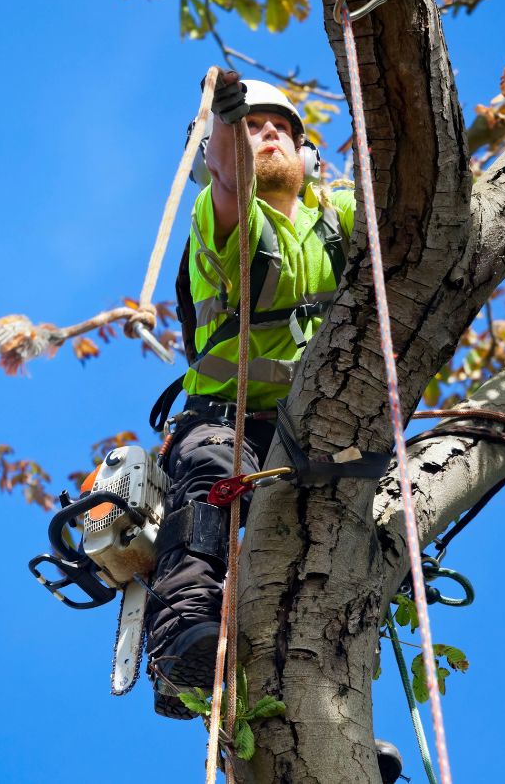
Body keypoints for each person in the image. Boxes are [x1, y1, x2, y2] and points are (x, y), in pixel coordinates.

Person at [145, 70, 355, 717]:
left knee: (337, 548)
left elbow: (410, 210)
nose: (267, 137)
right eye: (253, 129)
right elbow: (232, 175)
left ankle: (326, 703)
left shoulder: (337, 216)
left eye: (281, 130)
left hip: (317, 426)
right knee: (213, 482)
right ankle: (183, 641)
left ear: (309, 157)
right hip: (226, 417)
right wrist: (228, 118)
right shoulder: (219, 215)